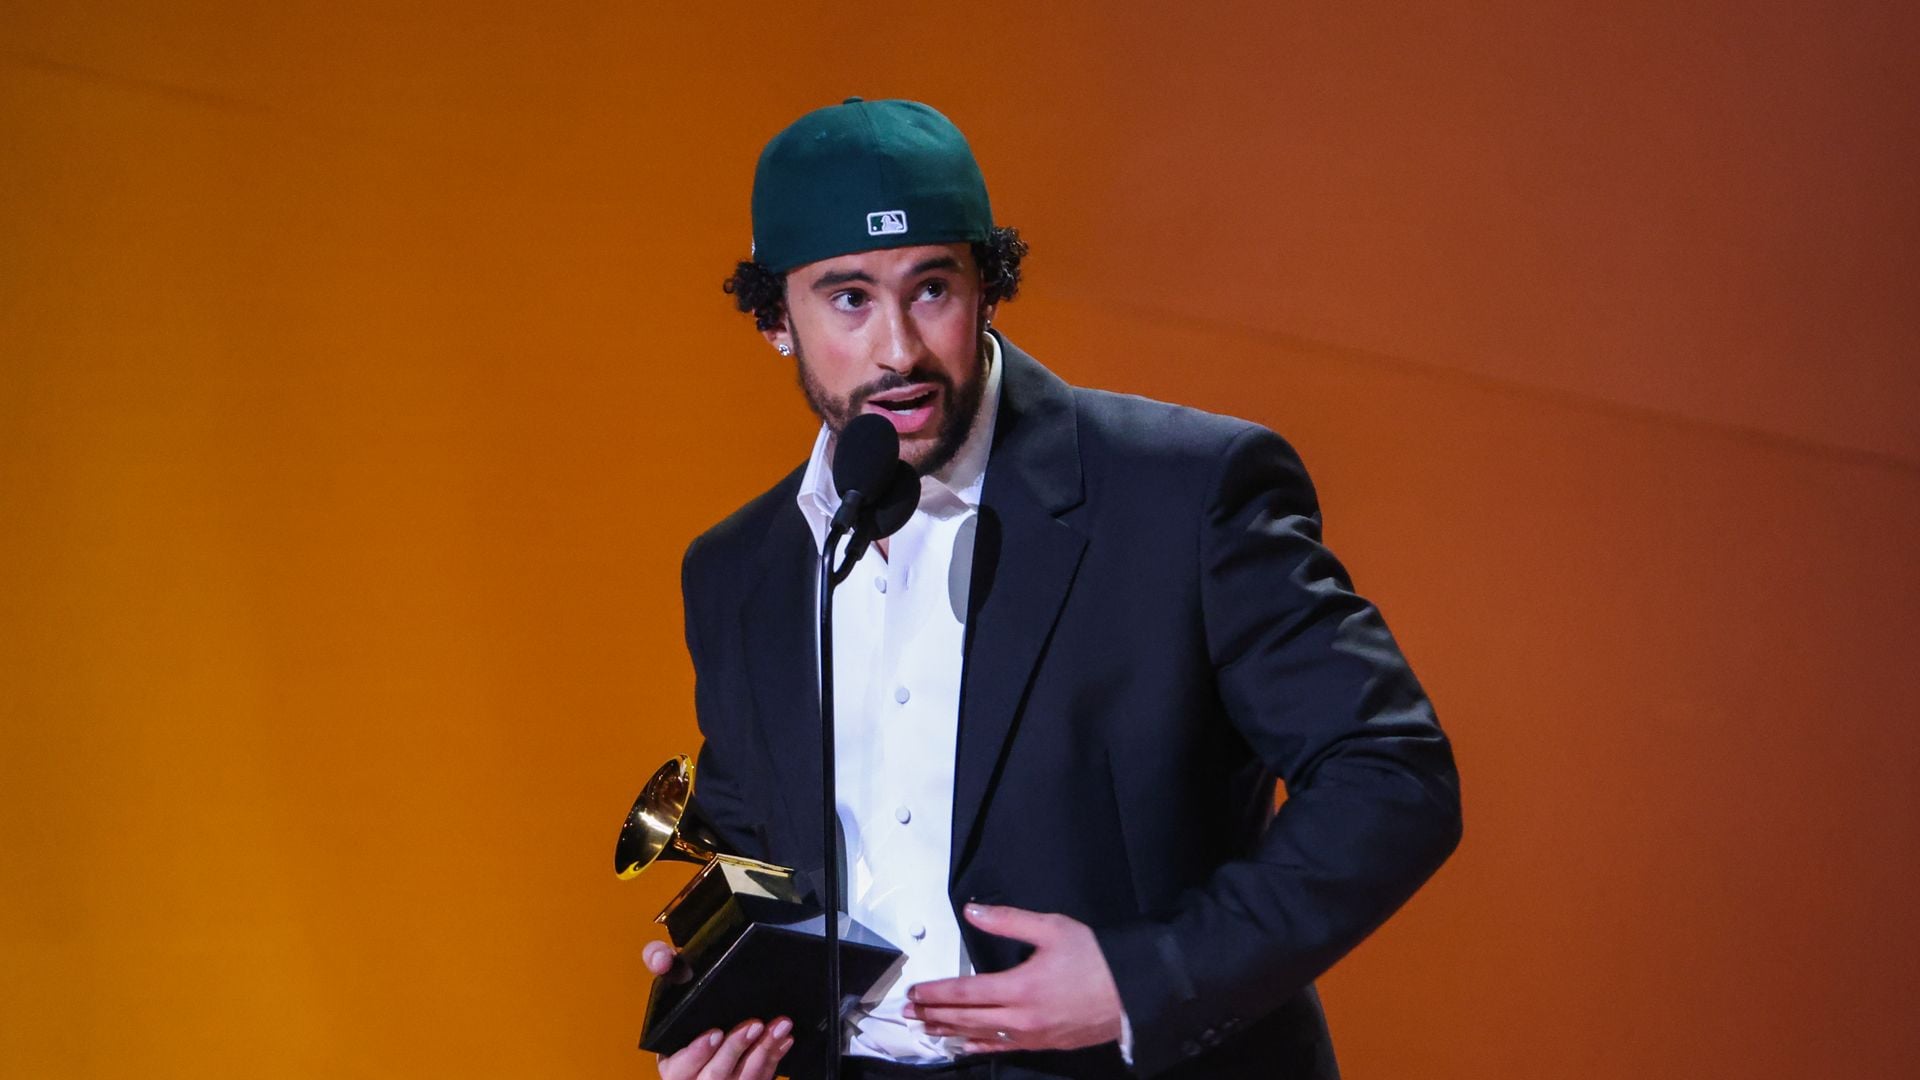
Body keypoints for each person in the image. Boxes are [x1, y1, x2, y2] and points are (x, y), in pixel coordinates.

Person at [641, 98, 1462, 1080]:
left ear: (988, 286)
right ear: (778, 319)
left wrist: (1146, 979)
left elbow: (1392, 772)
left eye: (932, 288)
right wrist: (723, 1011)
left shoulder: (1188, 492)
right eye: (848, 299)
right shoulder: (736, 571)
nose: (899, 349)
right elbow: (760, 859)